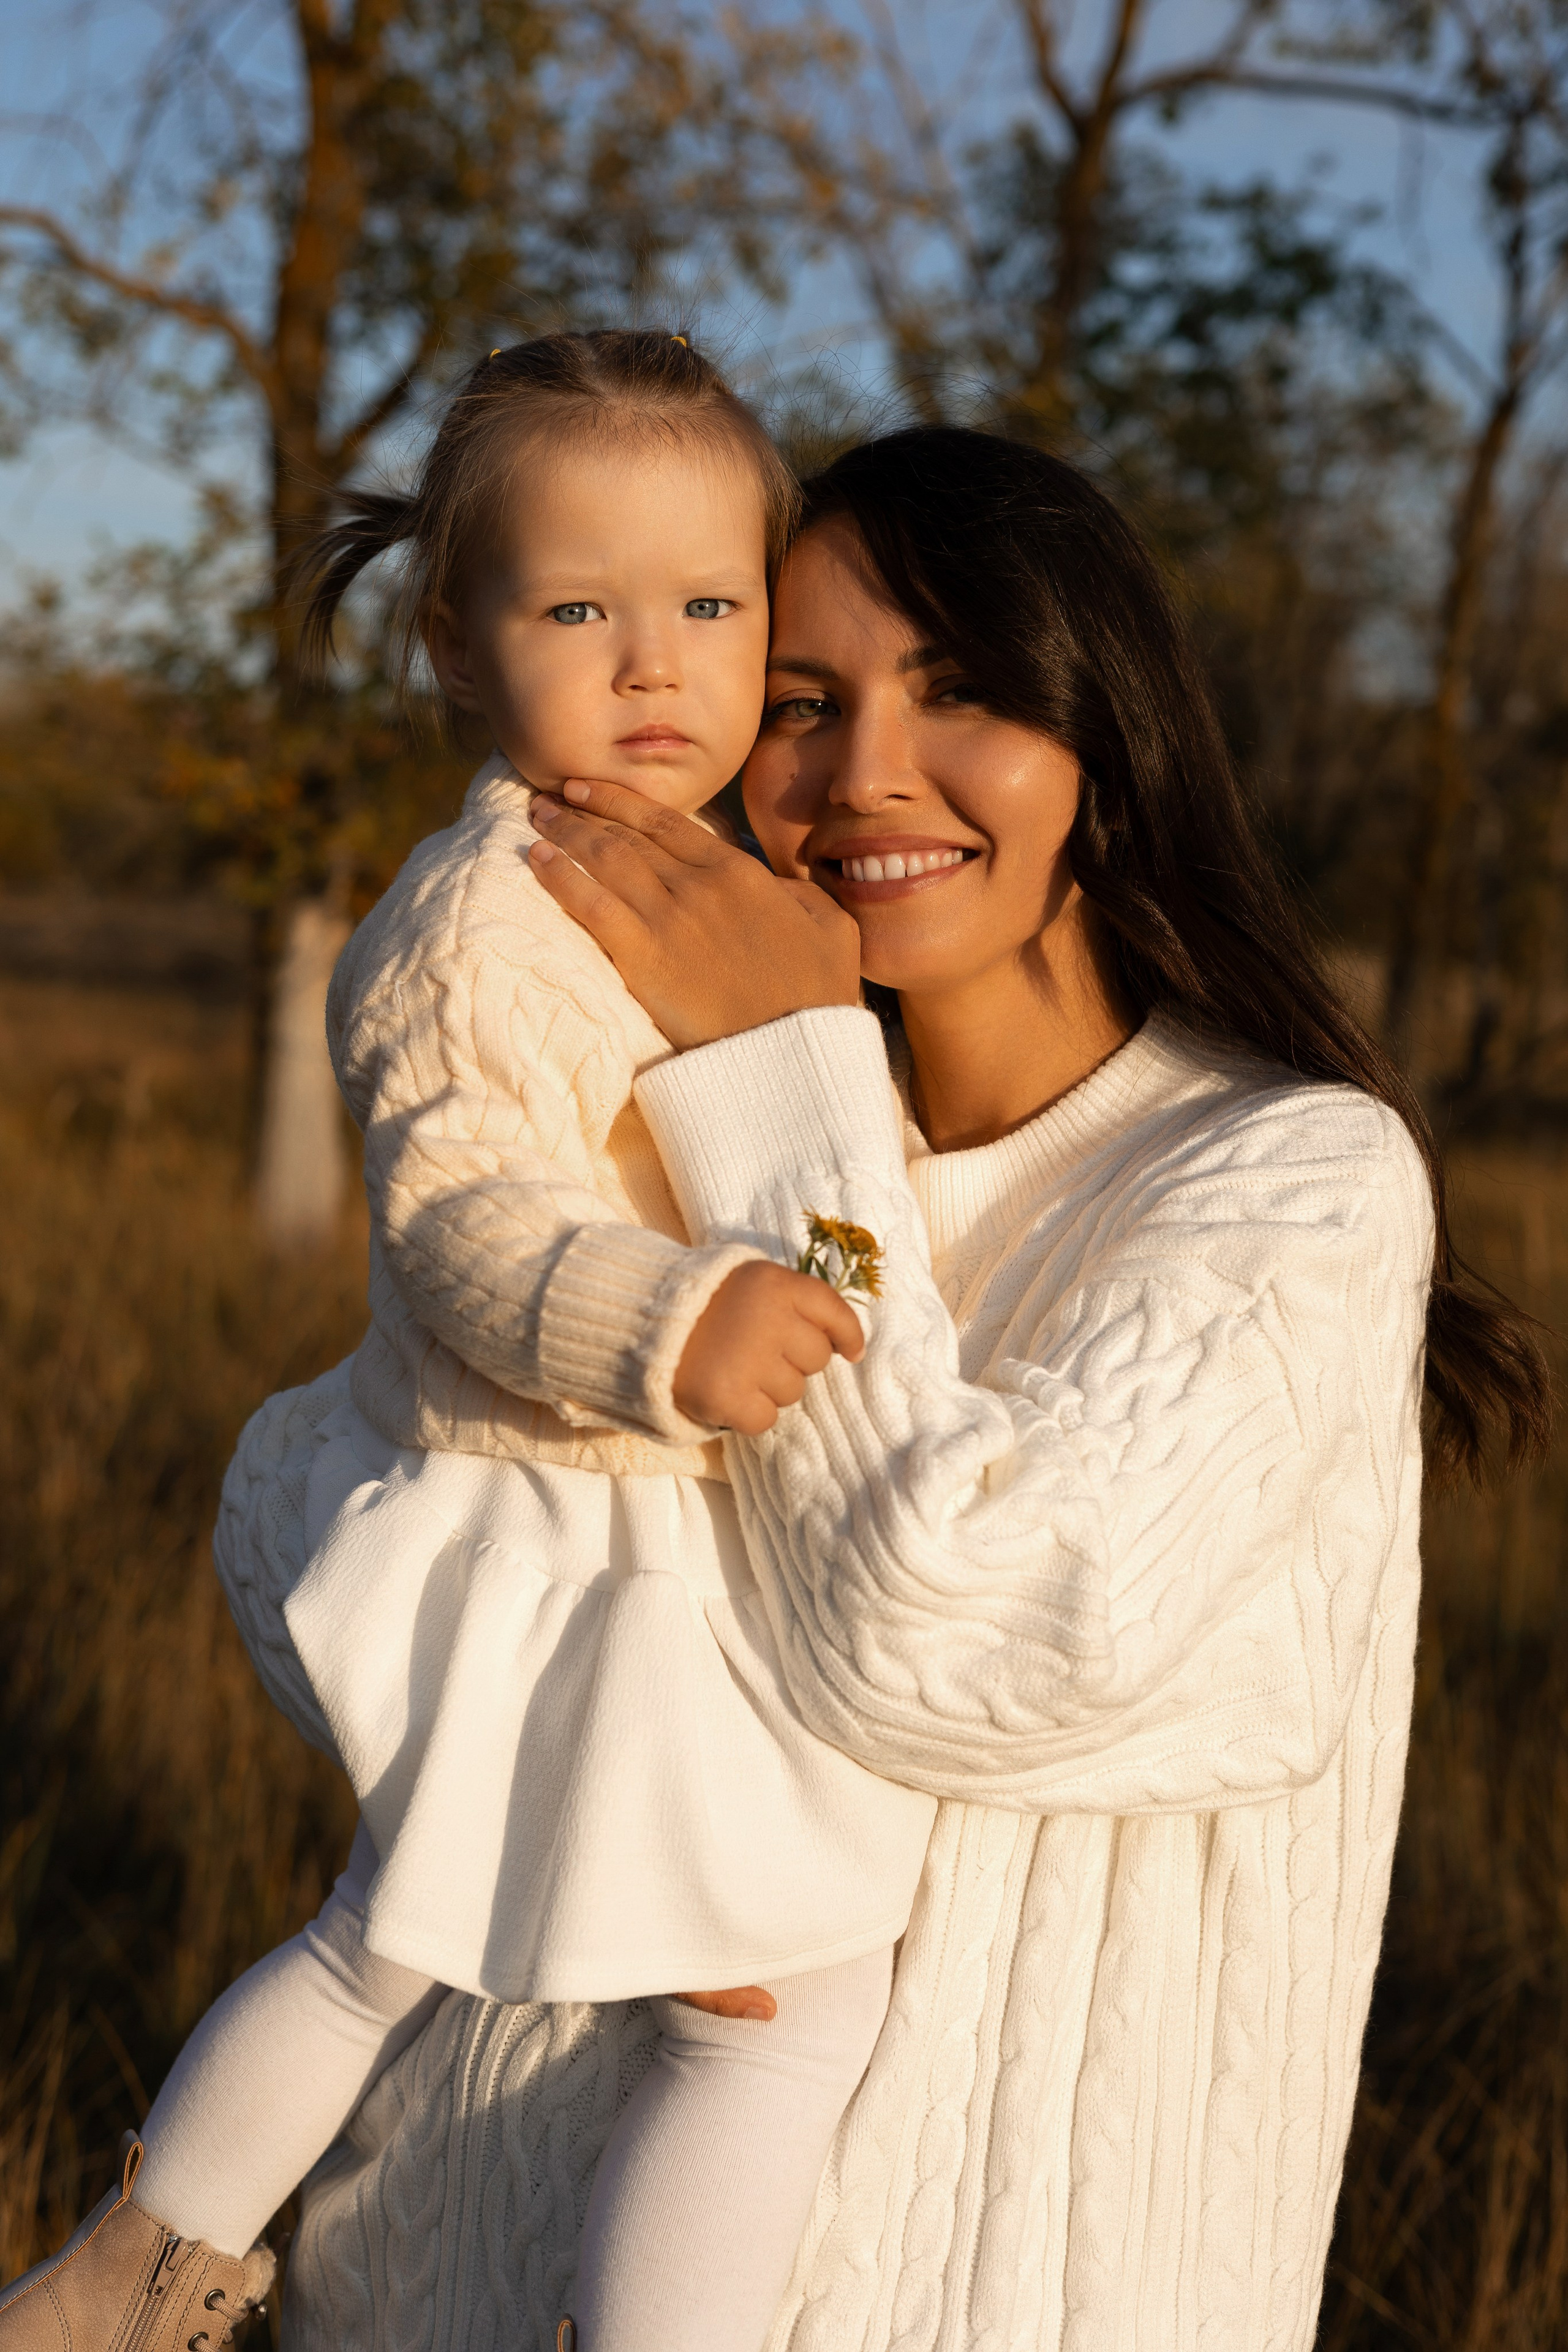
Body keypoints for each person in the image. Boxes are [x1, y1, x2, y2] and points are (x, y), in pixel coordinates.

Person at [274, 424, 1551, 2352]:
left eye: (961, 690)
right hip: (444, 2263)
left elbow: (948, 1635)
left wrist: (787, 1072)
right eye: (802, 701)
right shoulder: (654, 1133)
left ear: (1103, 737)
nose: (867, 771)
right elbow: (338, 1572)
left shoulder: (1288, 1179)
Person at [0, 334, 937, 2352]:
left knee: (403, 1942)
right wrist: (672, 1318)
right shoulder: (473, 925)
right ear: (453, 641)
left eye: (711, 608)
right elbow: (462, 1223)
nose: (654, 665)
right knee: (752, 1999)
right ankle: (132, 2281)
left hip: (637, 1530)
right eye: (578, 612)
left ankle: (123, 2283)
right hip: (558, 1524)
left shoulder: (717, 879)